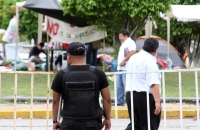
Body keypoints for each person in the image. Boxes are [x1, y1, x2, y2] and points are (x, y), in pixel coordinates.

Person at [51, 42, 111, 130]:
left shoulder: (61, 74)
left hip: (69, 123)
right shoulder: (98, 73)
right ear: (85, 55)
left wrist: (55, 121)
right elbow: (107, 99)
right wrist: (107, 119)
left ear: (69, 56)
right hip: (93, 123)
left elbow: (55, 101)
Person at [125, 38, 161, 130]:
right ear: (156, 49)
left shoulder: (133, 58)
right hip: (144, 97)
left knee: (135, 124)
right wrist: (157, 102)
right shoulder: (150, 62)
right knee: (149, 125)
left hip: (130, 95)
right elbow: (153, 83)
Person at [116, 30, 136, 106]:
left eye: (121, 36)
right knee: (119, 85)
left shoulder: (130, 43)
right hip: (120, 68)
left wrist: (124, 60)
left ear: (126, 36)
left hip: (127, 68)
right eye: (119, 36)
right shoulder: (123, 44)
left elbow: (132, 52)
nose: (119, 38)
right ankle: (120, 102)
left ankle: (130, 102)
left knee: (126, 85)